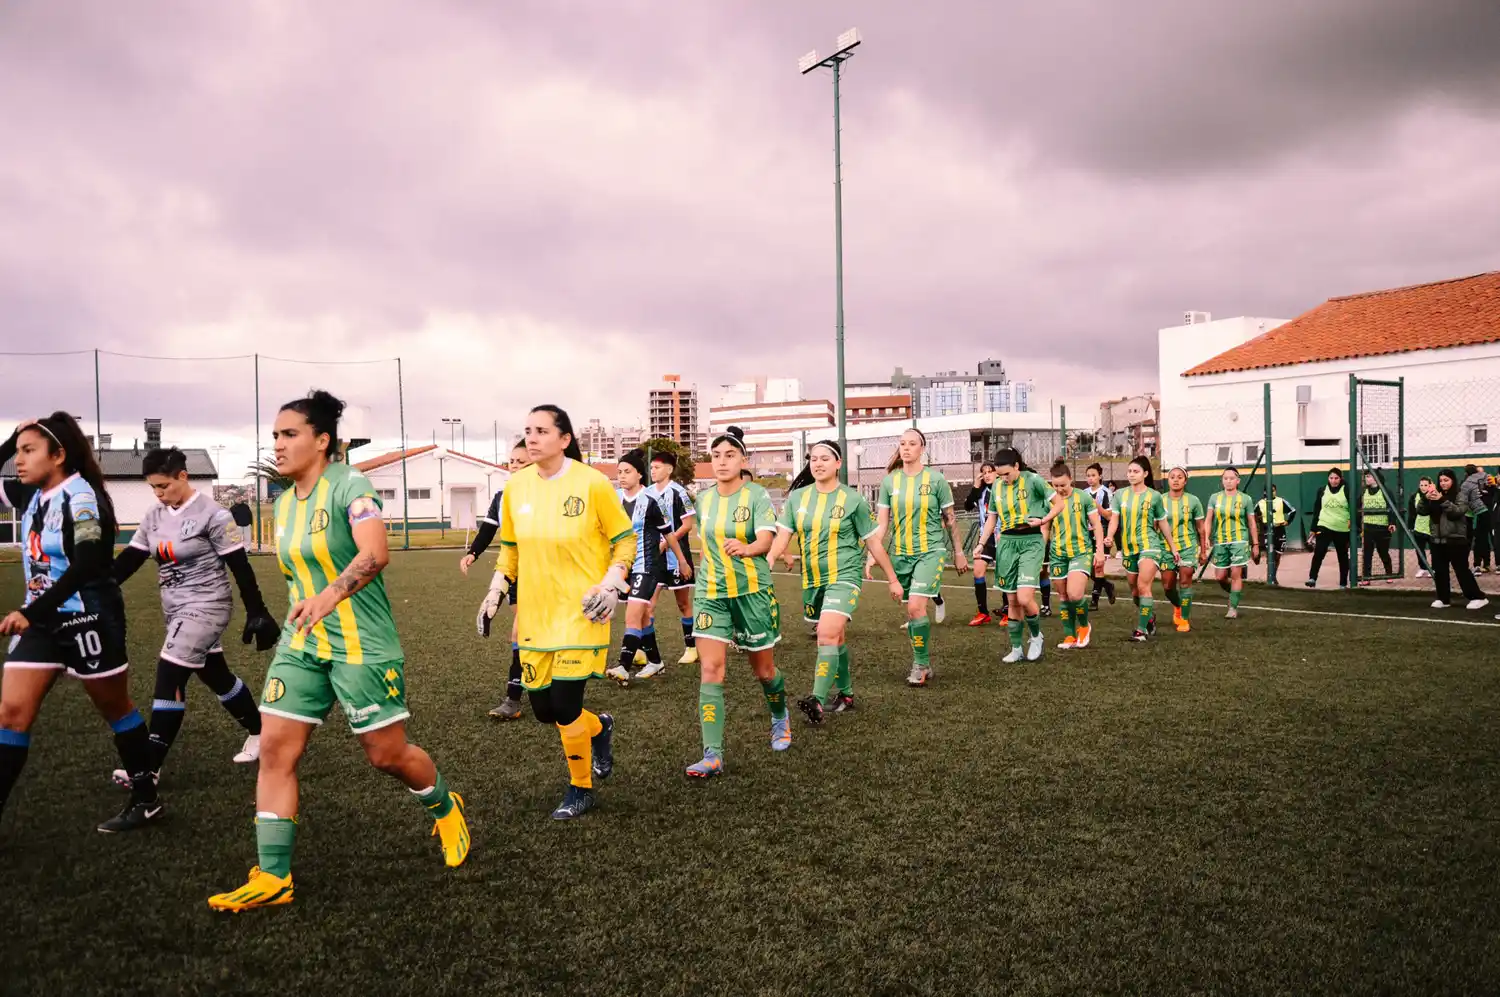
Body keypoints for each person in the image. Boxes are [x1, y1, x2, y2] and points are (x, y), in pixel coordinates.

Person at [210, 390, 470, 912]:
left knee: (386, 756)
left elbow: (376, 553)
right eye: (276, 435)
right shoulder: (282, 505)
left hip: (362, 647)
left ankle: (445, 806)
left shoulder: (350, 485)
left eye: (290, 435)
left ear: (322, 441)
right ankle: (274, 877)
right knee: (276, 752)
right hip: (302, 645)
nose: (278, 445)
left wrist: (330, 595)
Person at [0, 414, 162, 833]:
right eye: (17, 453)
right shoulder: (29, 495)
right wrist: (14, 436)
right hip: (40, 624)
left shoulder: (81, 497)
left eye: (29, 451)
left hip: (88, 617)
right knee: (11, 714)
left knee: (115, 709)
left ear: (58, 455)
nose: (18, 461)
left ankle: (146, 799)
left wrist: (32, 611)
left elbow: (90, 563)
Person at [476, 404, 634, 819]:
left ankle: (579, 789)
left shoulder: (593, 484)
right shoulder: (516, 487)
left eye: (542, 430)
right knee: (545, 711)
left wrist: (612, 584)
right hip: (534, 616)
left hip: (583, 612)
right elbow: (510, 548)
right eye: (528, 429)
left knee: (565, 706)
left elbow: (624, 541)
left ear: (564, 439)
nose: (532, 437)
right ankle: (599, 727)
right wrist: (496, 588)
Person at [107, 447, 281, 789]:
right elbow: (131, 558)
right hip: (175, 610)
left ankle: (148, 768)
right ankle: (262, 732)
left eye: (163, 486)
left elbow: (240, 567)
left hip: (208, 606)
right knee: (215, 675)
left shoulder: (213, 515)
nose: (158, 494)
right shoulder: (155, 515)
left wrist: (257, 610)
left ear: (182, 477)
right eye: (152, 488)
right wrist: (94, 587)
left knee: (169, 671)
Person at [768, 441, 902, 724]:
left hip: (845, 575)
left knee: (826, 634)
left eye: (825, 459)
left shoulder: (853, 500)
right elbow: (783, 536)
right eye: (814, 459)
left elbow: (873, 543)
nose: (818, 463)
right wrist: (768, 560)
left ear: (838, 463)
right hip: (814, 579)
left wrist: (892, 579)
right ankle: (846, 693)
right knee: (836, 638)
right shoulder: (797, 499)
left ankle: (816, 699)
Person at [684, 427, 789, 777]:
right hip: (711, 593)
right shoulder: (703, 499)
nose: (722, 462)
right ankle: (712, 754)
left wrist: (747, 548)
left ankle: (779, 716)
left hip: (752, 592)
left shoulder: (757, 496)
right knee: (711, 669)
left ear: (743, 460)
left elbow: (765, 539)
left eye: (730, 455)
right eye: (716, 456)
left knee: (764, 671)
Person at [868, 428, 969, 686]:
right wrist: (872, 554)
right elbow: (882, 523)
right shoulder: (890, 482)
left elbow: (950, 519)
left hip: (931, 551)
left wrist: (958, 552)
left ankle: (920, 665)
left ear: (922, 448)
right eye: (902, 443)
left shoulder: (936, 480)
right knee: (913, 613)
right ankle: (922, 661)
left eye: (912, 443)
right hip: (901, 554)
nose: (906, 448)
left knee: (915, 607)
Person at [970, 448, 1062, 662]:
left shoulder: (1034, 480)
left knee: (1024, 597)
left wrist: (1042, 520)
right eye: (999, 475)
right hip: (1007, 543)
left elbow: (1059, 504)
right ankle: (1016, 648)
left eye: (1006, 474)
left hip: (1031, 541)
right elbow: (992, 519)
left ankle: (1036, 636)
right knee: (1012, 599)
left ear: (1017, 467)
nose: (1003, 479)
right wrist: (981, 544)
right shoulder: (998, 488)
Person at [607, 449, 690, 684]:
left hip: (648, 565)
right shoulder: (614, 499)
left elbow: (669, 534)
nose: (622, 476)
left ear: (639, 475)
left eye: (627, 472)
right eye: (619, 472)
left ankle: (623, 666)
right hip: (625, 566)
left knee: (634, 615)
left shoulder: (653, 501)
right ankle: (655, 661)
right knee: (642, 618)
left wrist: (682, 560)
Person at [461, 440, 530, 721]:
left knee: (521, 632)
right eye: (511, 461)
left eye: (520, 461)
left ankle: (514, 698)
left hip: (549, 574)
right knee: (525, 633)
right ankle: (535, 687)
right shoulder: (503, 497)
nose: (513, 466)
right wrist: (473, 553)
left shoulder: (549, 495)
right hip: (515, 571)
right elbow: (489, 530)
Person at [1108, 456, 1181, 642]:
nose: (1131, 475)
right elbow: (1115, 519)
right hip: (1129, 547)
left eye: (1136, 471)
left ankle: (1141, 631)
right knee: (1134, 592)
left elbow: (1163, 523)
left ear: (1145, 474)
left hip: (1150, 545)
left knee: (1143, 585)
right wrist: (1109, 537)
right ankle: (1149, 617)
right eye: (1129, 471)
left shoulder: (1154, 496)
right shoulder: (1119, 495)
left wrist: (1173, 548)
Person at [646, 450, 699, 675]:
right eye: (651, 467)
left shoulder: (679, 492)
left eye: (657, 467)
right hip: (653, 559)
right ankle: (643, 650)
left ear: (668, 469)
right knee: (647, 604)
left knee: (683, 604)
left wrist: (667, 543)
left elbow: (687, 524)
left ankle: (691, 647)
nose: (653, 471)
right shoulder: (646, 493)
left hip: (677, 556)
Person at [1045, 462, 1107, 650]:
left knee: (1075, 594)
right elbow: (1045, 526)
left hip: (1081, 552)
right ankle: (1069, 635)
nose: (1059, 489)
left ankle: (1083, 626)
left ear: (1070, 479)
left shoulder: (1084, 498)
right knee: (1063, 596)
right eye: (1056, 486)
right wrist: (1040, 550)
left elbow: (1096, 525)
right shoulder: (1049, 500)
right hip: (1058, 554)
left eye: (1063, 485)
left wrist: (1100, 551)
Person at [1419, 471, 1488, 611]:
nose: (1443, 483)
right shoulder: (1434, 494)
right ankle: (1443, 599)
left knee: (1461, 569)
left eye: (1446, 480)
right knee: (1440, 570)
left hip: (1456, 539)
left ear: (1453, 481)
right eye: (1441, 480)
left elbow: (1457, 512)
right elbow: (1421, 511)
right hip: (1437, 540)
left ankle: (1478, 597)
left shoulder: (1460, 494)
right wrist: (1426, 499)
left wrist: (1442, 500)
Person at [1202, 467, 1259, 619]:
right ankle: (1234, 592)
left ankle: (1232, 607)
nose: (1228, 481)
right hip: (1220, 541)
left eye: (1232, 478)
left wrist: (1256, 544)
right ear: (1222, 481)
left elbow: (1252, 523)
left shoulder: (1245, 499)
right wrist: (1206, 537)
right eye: (1225, 478)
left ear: (1238, 481)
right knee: (1220, 577)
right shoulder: (1214, 498)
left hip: (1240, 540)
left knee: (1236, 573)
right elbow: (1208, 520)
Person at [1160, 466, 1206, 632]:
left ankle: (1184, 619)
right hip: (1165, 548)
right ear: (1168, 479)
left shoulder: (1193, 501)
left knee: (1185, 581)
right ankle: (1178, 606)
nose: (1176, 479)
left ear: (1185, 481)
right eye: (1172, 476)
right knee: (1167, 587)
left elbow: (1201, 527)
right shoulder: (1160, 500)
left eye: (1180, 477)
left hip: (1187, 547)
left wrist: (1202, 550)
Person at [964, 463, 999, 626]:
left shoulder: (1003, 488)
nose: (987, 475)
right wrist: (975, 486)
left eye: (990, 472)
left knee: (1005, 574)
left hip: (1003, 536)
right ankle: (983, 612)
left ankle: (1008, 610)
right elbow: (967, 506)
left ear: (997, 473)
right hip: (985, 537)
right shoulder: (982, 492)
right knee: (978, 571)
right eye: (983, 473)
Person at [1305, 468, 1351, 588]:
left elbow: (1353, 507)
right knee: (1319, 552)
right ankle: (1312, 578)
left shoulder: (1346, 490)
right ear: (1328, 478)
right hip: (1324, 525)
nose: (1333, 481)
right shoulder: (1322, 490)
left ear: (1340, 478)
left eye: (1336, 478)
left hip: (1342, 528)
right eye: (1331, 478)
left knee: (1343, 555)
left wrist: (1353, 521)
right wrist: (1313, 529)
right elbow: (1317, 510)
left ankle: (1343, 583)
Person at [1083, 464, 1118, 608]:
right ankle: (1107, 585)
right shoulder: (1083, 492)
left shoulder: (1106, 493)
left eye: (1093, 475)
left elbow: (1109, 516)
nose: (1091, 479)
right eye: (1088, 476)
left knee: (1098, 565)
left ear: (1100, 476)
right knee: (1088, 566)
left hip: (1101, 530)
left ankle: (1094, 600)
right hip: (1086, 531)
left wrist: (1097, 506)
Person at [1358, 470, 1395, 583]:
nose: (1367, 479)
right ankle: (1366, 576)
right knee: (1367, 553)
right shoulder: (1364, 492)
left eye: (1369, 476)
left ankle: (1389, 574)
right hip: (1368, 527)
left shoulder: (1385, 491)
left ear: (1376, 478)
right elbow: (1357, 508)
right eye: (1366, 477)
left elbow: (1392, 507)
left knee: (1383, 552)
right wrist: (1358, 525)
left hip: (1382, 527)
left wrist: (1392, 523)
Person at [1460, 465, 1491, 574]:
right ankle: (1471, 565)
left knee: (1480, 540)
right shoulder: (1467, 483)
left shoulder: (1471, 483)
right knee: (1471, 541)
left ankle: (1480, 564)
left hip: (1479, 513)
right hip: (1470, 516)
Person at [1255, 486, 1297, 556]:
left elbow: (1293, 511)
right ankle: (1269, 565)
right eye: (1270, 491)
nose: (1272, 492)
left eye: (1273, 491)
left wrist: (1288, 521)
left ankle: (1275, 566)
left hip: (1279, 529)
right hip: (1267, 530)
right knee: (1270, 554)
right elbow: (1253, 515)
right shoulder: (1260, 503)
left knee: (1278, 554)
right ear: (1265, 492)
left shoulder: (1281, 501)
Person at [1409, 478, 1433, 578]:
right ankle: (1423, 568)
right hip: (1418, 528)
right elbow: (1411, 513)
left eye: (1426, 485)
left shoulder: (1434, 495)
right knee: (1420, 550)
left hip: (1431, 528)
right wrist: (1411, 526)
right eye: (1421, 485)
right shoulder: (1414, 497)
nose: (1423, 487)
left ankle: (1435, 568)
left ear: (1430, 485)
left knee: (1434, 550)